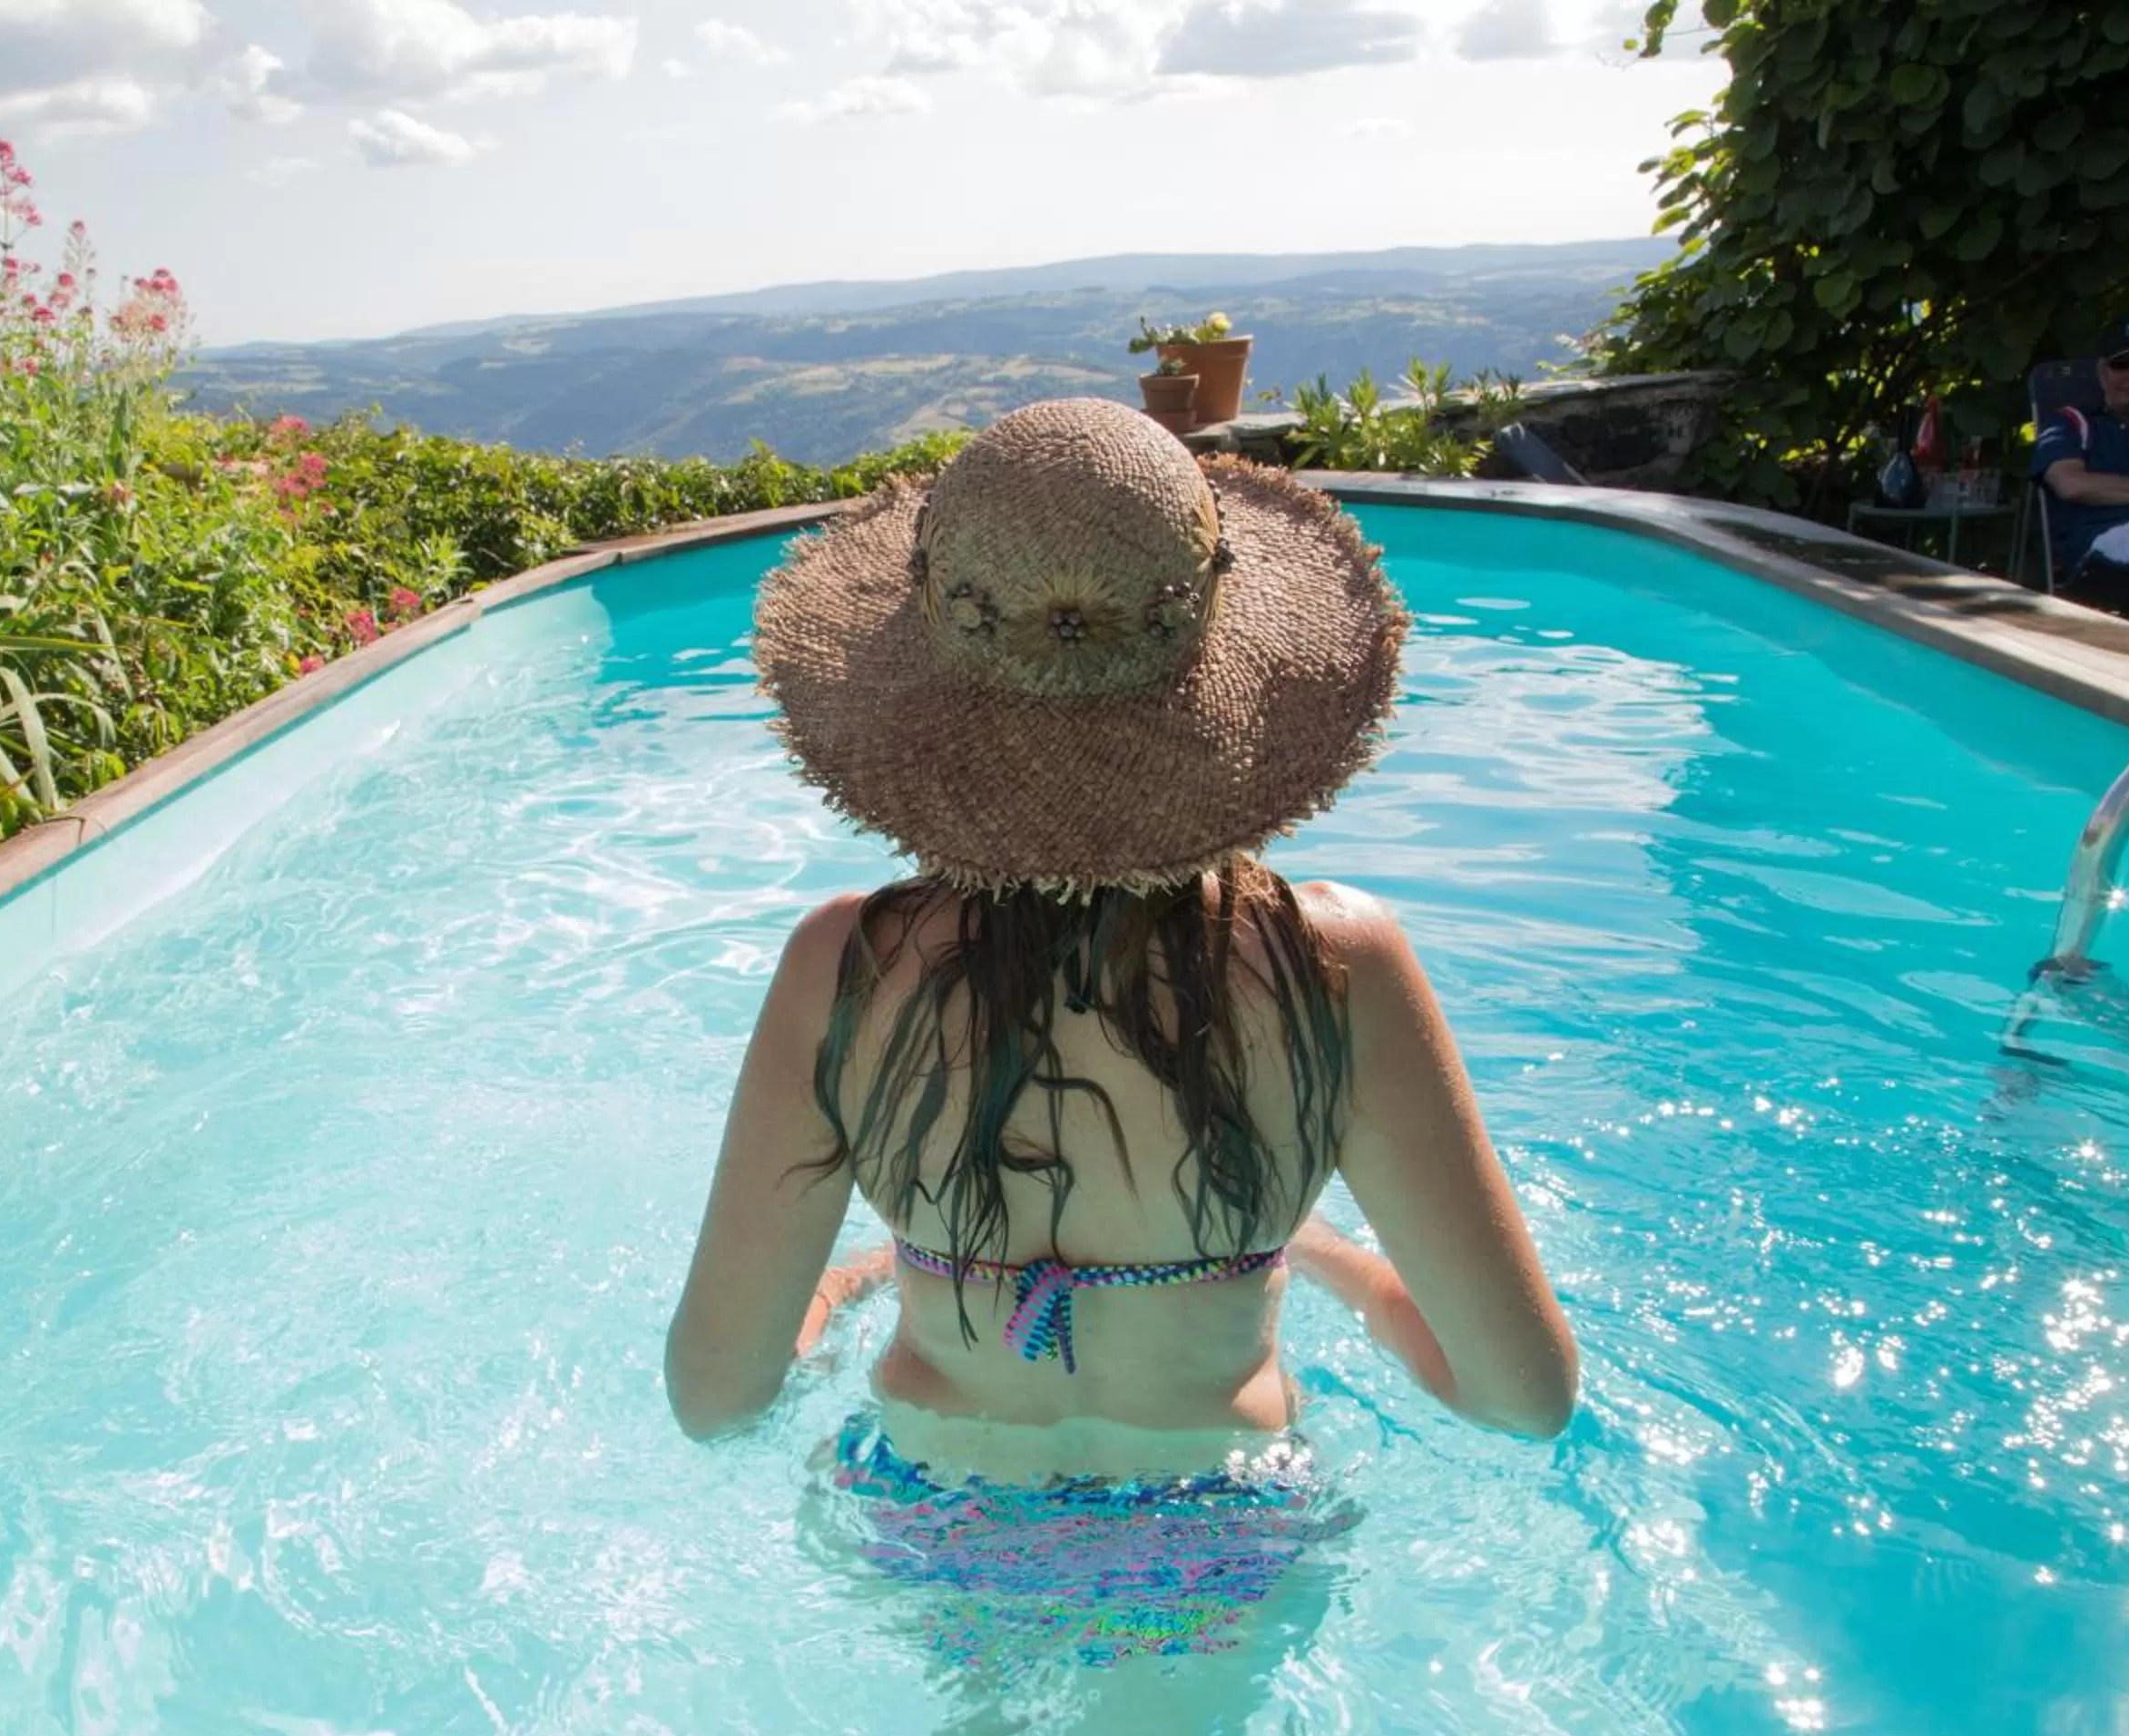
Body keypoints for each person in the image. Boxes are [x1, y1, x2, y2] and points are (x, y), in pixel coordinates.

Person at [661, 399, 1578, 1646]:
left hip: (933, 1511)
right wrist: (1331, 1258)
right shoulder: (1337, 966)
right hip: (1223, 1525)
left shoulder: (846, 968)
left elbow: (716, 1401)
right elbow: (1523, 1400)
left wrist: (848, 1286)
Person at [2035, 313, 2129, 625]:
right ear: (2102, 373)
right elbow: (2071, 484)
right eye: (2121, 365)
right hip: (2102, 545)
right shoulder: (2072, 421)